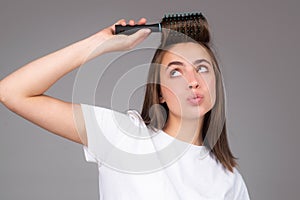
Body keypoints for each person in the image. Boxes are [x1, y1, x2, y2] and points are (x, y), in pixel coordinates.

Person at [0, 15, 250, 199]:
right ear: (159, 91)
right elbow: (12, 92)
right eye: (176, 72)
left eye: (202, 68)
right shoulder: (123, 136)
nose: (193, 81)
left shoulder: (230, 181)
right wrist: (96, 44)